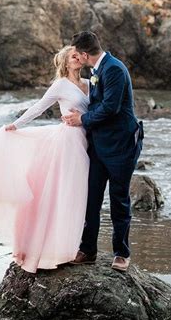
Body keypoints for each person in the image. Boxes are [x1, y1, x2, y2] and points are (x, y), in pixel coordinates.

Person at [0, 45, 90, 274]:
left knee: (77, 195)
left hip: (86, 141)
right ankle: (50, 249)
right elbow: (38, 108)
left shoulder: (89, 84)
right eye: (72, 55)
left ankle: (71, 245)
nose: (77, 57)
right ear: (64, 62)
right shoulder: (60, 85)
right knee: (62, 194)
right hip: (68, 143)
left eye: (79, 54)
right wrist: (16, 125)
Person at [62, 31, 144, 272]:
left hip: (121, 145)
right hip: (99, 146)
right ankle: (88, 250)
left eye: (77, 54)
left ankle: (122, 253)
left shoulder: (114, 69)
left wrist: (82, 119)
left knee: (119, 200)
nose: (76, 57)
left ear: (85, 54)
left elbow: (110, 107)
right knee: (92, 199)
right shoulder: (97, 70)